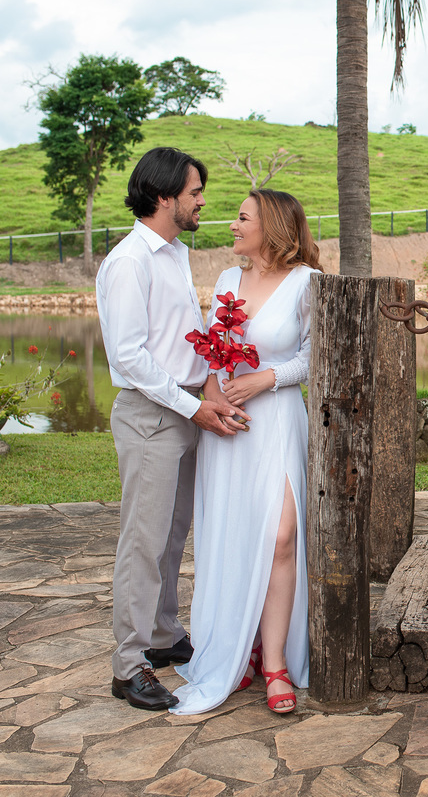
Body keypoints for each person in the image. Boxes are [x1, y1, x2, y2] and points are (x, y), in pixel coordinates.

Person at [97, 147, 247, 711]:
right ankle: (128, 663)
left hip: (186, 410)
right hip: (151, 416)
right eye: (194, 193)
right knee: (143, 540)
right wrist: (190, 408)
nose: (202, 201)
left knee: (172, 533)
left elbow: (182, 337)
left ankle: (161, 635)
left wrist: (208, 387)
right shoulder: (130, 262)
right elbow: (130, 357)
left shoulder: (175, 253)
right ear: (163, 196)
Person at [171, 189, 322, 715]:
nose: (232, 225)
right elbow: (213, 354)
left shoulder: (308, 283)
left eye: (241, 218)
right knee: (234, 536)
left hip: (277, 420)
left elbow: (312, 358)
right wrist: (213, 398)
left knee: (282, 535)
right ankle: (239, 651)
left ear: (273, 226)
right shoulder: (228, 281)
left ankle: (276, 661)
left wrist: (266, 380)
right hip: (229, 428)